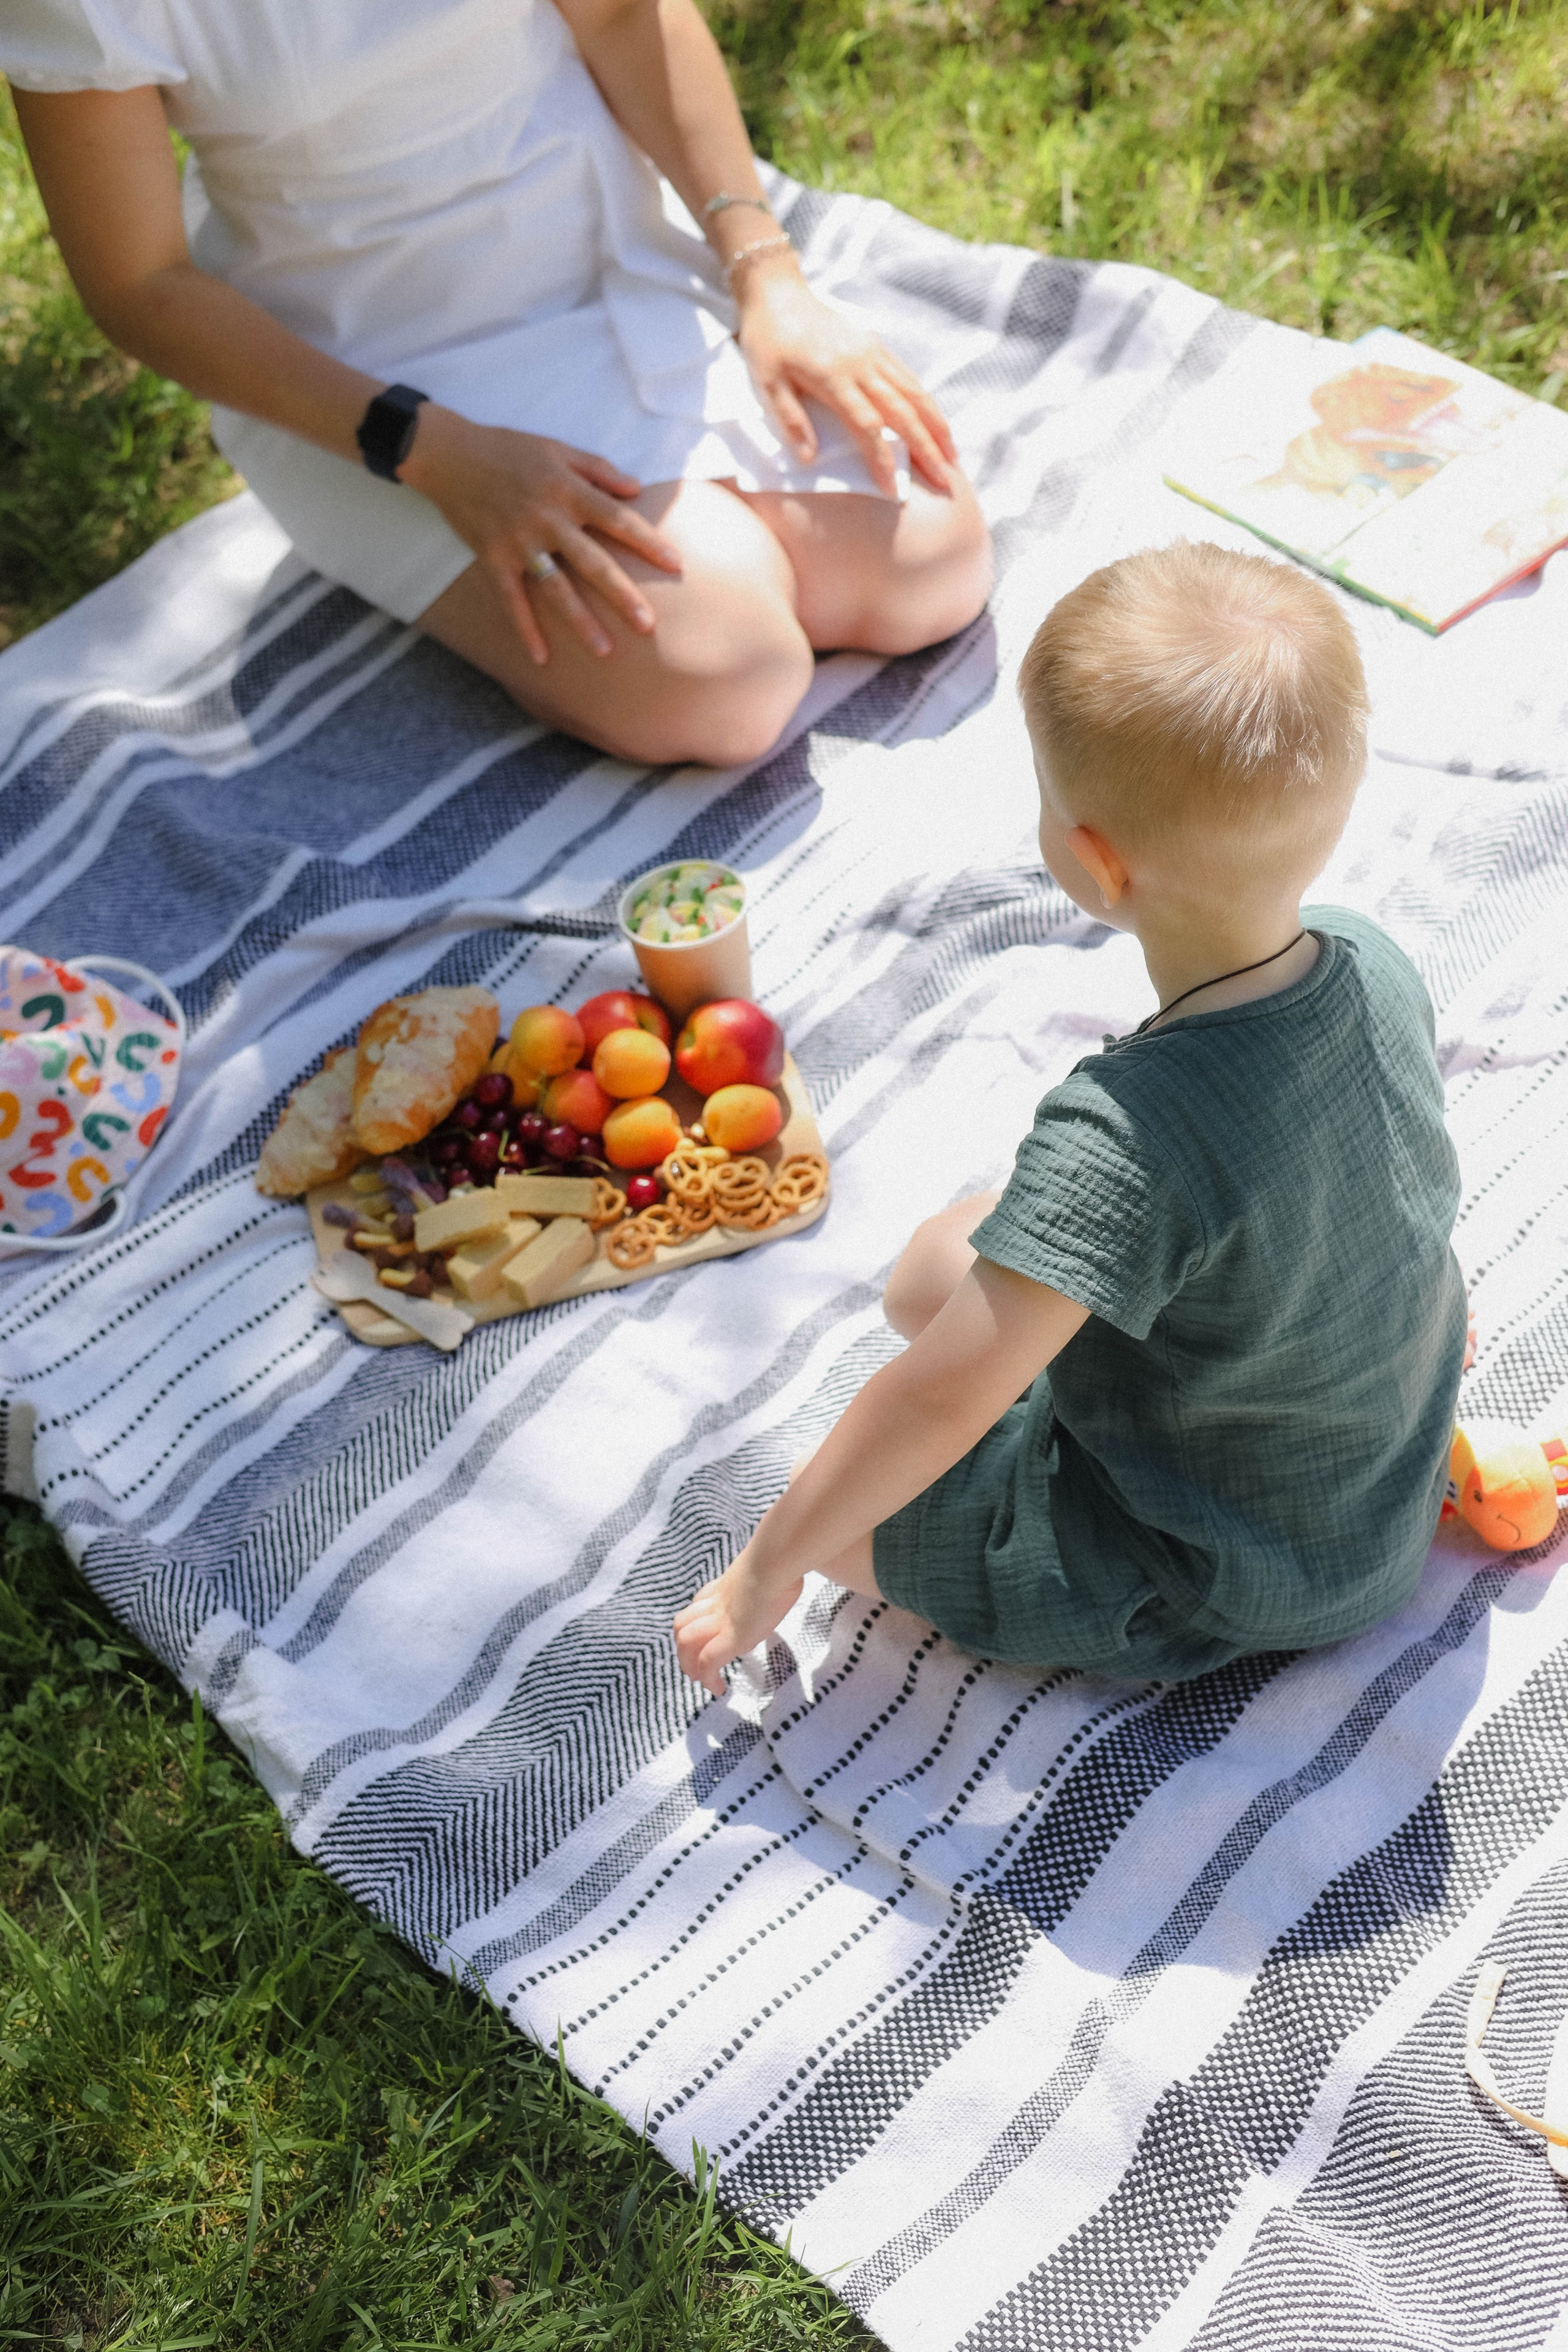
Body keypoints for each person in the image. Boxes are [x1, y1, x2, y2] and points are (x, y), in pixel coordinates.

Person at [676, 542, 1468, 1694]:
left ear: (1096, 865)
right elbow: (1399, 1193)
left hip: (1213, 1574)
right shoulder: (1369, 960)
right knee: (928, 1273)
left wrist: (767, 1567)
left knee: (852, 1525)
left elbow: (940, 1396)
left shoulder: (1127, 1139)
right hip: (1377, 1475)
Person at [5, 0, 992, 769]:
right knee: (728, 675)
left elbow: (621, 17)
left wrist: (767, 273)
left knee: (932, 563)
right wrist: (432, 453)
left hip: (607, 266)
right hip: (367, 380)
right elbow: (140, 286)